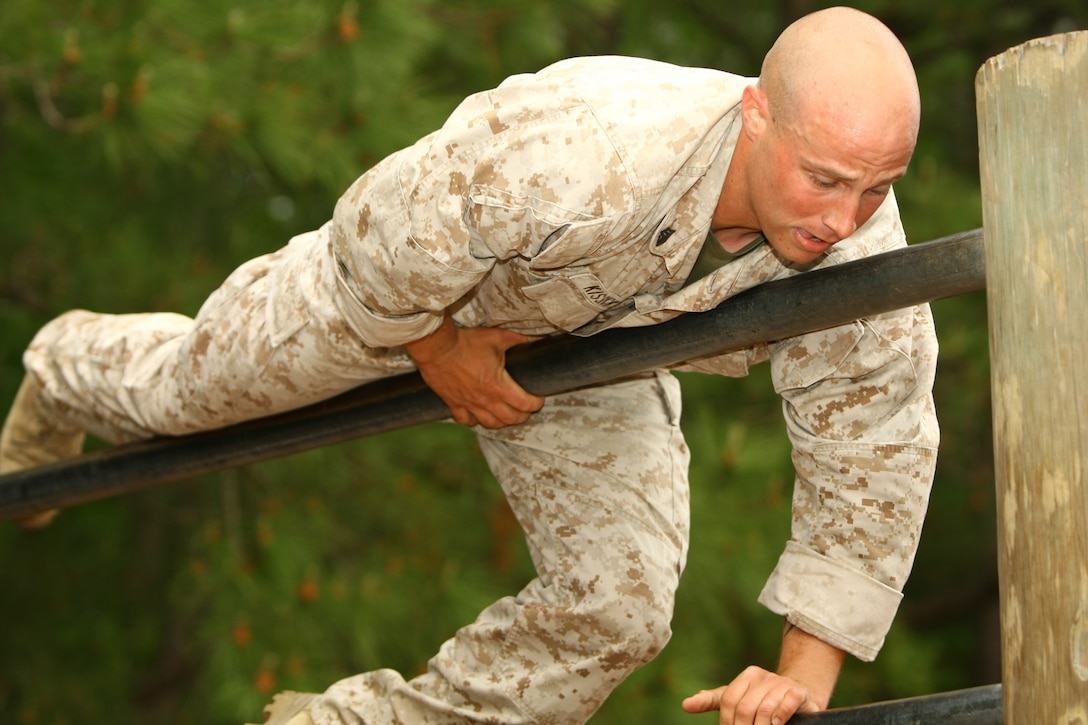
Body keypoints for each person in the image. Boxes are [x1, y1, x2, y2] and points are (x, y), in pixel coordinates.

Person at [1, 6, 937, 725]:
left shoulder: (861, 246)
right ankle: (63, 366)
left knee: (620, 605)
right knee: (188, 395)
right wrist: (442, 350)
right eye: (823, 180)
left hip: (591, 348)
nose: (844, 219)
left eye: (876, 187)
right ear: (758, 113)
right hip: (410, 293)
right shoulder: (589, 145)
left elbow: (874, 439)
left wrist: (801, 672)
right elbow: (382, 227)